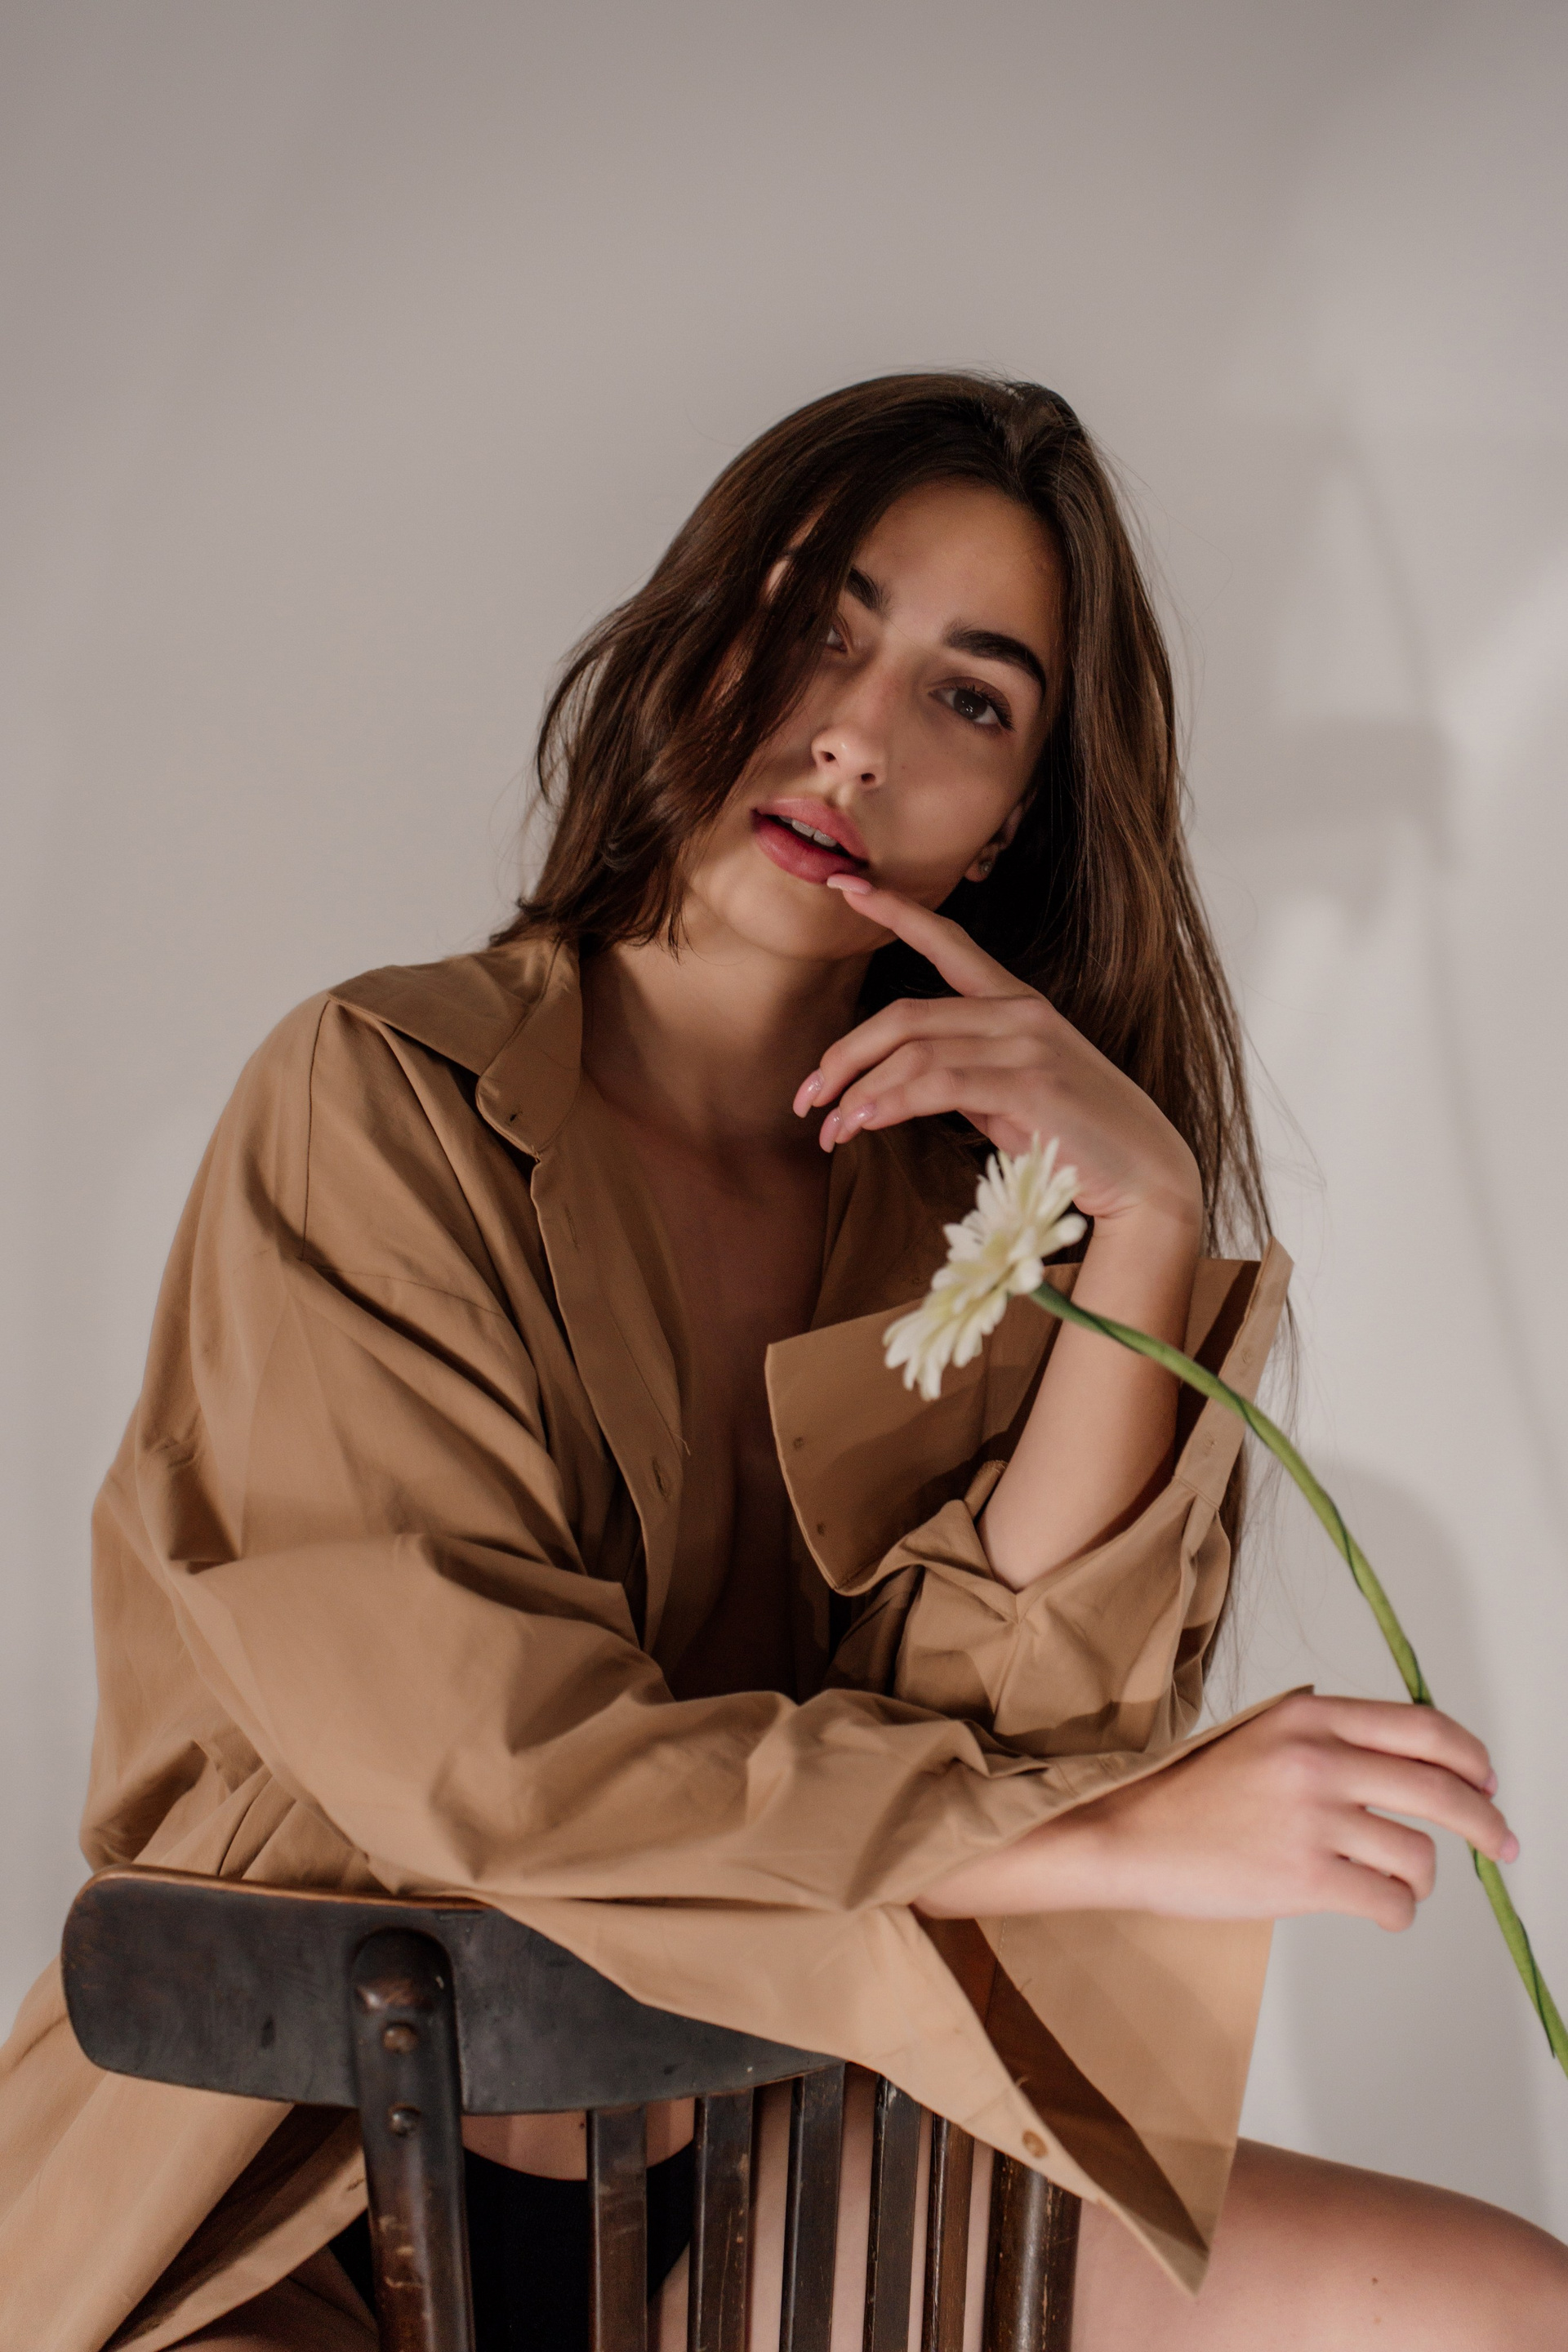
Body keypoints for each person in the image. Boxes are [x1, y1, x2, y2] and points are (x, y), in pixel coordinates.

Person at [0, 374, 1561, 2352]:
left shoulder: (966, 1222)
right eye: (822, 627)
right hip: (304, 2188)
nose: (857, 735)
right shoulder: (377, 1100)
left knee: (1502, 2309)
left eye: (969, 699)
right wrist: (1102, 1841)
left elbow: (1020, 1724)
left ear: (1008, 824)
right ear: (701, 632)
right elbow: (495, 1766)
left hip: (783, 2156)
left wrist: (1146, 1221)